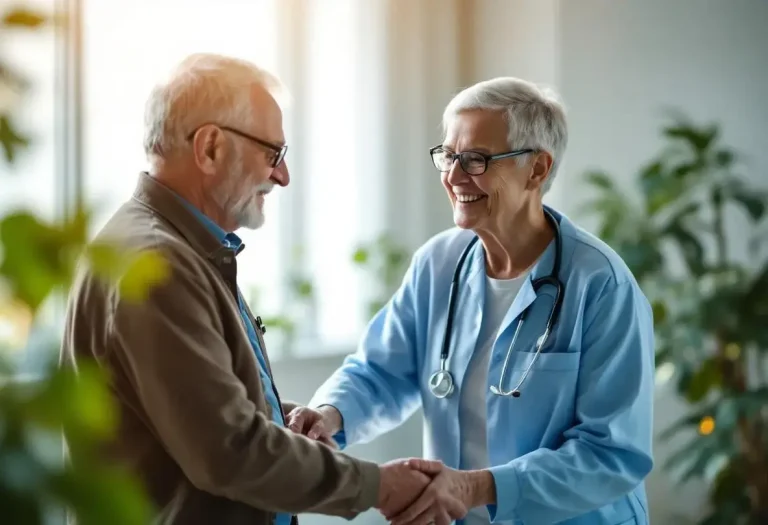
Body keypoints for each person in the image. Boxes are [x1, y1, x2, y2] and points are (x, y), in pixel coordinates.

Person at [59, 53, 449, 525]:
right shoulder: (157, 265)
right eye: (273, 154)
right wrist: (378, 486)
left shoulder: (181, 247)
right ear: (210, 148)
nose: (282, 176)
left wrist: (276, 416)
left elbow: (196, 405)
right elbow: (228, 450)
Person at [286, 77, 655, 525]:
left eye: (477, 159)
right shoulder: (438, 264)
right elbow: (380, 371)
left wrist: (473, 487)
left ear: (537, 169)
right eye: (449, 156)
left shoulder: (602, 285)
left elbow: (609, 453)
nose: (454, 176)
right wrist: (330, 415)